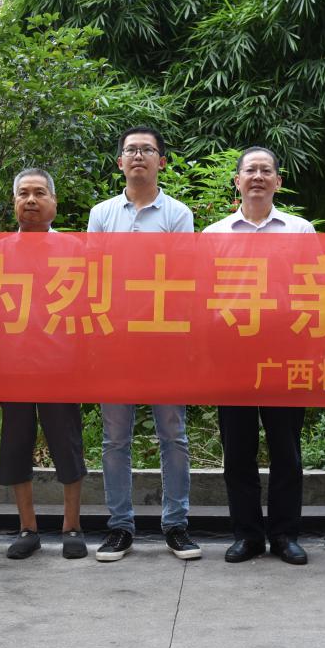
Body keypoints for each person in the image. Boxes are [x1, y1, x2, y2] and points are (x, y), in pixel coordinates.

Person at [86, 127, 199, 563]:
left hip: (164, 341)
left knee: (174, 435)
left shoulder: (177, 214)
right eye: (130, 150)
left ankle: (176, 525)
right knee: (115, 439)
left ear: (161, 162)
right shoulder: (102, 214)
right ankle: (120, 527)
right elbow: (96, 274)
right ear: (120, 162)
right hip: (114, 341)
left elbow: (181, 273)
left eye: (147, 150)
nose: (138, 156)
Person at [203, 147, 316, 565]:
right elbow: (202, 293)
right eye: (249, 170)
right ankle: (247, 535)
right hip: (231, 355)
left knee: (286, 449)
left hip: (285, 352)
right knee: (238, 450)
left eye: (265, 170)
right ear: (237, 181)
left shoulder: (299, 230)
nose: (257, 176)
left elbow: (313, 288)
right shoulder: (214, 234)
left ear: (277, 182)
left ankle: (285, 534)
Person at [0, 168, 88, 560]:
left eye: (39, 193)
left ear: (54, 201)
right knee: (15, 445)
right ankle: (27, 528)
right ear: (14, 202)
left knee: (67, 444)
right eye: (23, 193)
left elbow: (88, 311)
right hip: (12, 367)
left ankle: (72, 526)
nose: (31, 200)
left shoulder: (74, 250)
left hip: (60, 366)